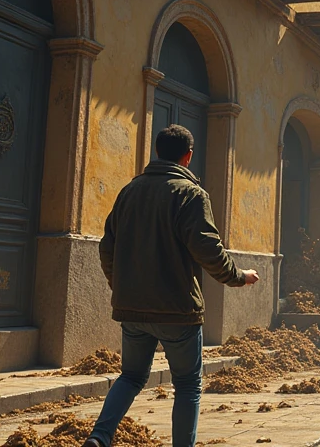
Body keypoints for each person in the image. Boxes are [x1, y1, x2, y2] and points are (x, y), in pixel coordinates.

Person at [86, 125, 260, 447]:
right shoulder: (191, 194)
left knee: (131, 376)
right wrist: (239, 276)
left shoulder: (128, 191)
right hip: (178, 311)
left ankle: (99, 437)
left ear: (157, 151)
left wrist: (122, 286)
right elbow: (208, 250)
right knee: (188, 384)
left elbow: (106, 247)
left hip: (133, 309)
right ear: (188, 157)